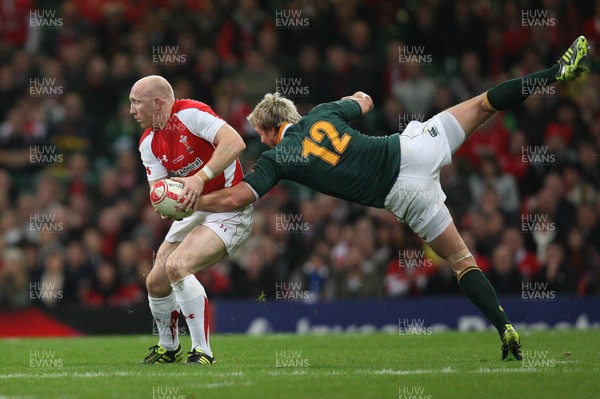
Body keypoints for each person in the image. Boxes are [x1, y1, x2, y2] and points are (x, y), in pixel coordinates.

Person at [189, 37, 591, 361]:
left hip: (404, 196)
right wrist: (355, 100)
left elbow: (236, 198)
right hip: (411, 149)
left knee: (461, 261)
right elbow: (365, 99)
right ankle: (556, 72)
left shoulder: (278, 157)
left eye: (261, 132)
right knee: (485, 102)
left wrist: (194, 198)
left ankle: (504, 327)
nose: (260, 140)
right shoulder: (325, 113)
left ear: (273, 127)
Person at [129, 75, 253, 364]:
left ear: (157, 102)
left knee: (178, 265)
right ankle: (169, 347)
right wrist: (164, 203)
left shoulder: (191, 113)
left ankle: (203, 351)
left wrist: (200, 178)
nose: (132, 110)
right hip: (194, 208)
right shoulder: (148, 142)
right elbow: (158, 192)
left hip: (228, 208)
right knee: (156, 281)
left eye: (136, 102)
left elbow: (235, 142)